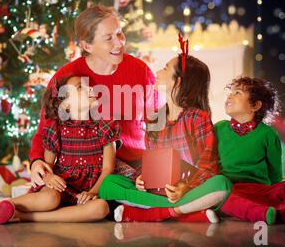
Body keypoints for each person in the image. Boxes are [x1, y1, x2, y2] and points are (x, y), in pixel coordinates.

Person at [0, 75, 119, 223]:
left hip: (88, 190)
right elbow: (48, 166)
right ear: (65, 104)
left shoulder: (104, 126)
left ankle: (23, 216)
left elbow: (108, 168)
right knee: (50, 198)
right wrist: (49, 177)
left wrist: (91, 193)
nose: (90, 88)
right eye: (80, 87)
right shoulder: (57, 128)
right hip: (61, 186)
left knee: (101, 208)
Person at [98, 36, 232, 223]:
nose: (158, 71)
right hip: (157, 192)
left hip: (188, 190)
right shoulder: (154, 119)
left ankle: (151, 213)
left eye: (166, 68)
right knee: (108, 184)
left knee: (222, 184)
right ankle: (184, 212)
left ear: (178, 82)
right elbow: (150, 164)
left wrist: (186, 187)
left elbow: (208, 167)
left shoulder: (197, 118)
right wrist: (141, 179)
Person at [29, 5, 158, 187]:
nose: (119, 43)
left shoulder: (141, 71)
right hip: (89, 171)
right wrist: (36, 161)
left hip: (136, 166)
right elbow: (45, 130)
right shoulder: (67, 78)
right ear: (86, 45)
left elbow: (159, 125)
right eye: (108, 38)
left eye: (119, 33)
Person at [217, 76, 285, 224]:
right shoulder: (219, 128)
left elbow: (275, 172)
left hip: (261, 191)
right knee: (221, 198)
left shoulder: (268, 134)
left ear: (255, 105)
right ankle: (261, 213)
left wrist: (275, 193)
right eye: (230, 92)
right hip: (232, 190)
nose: (230, 96)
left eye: (237, 93)